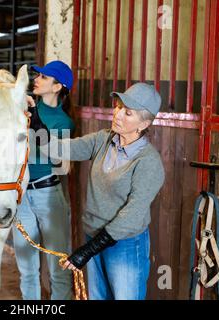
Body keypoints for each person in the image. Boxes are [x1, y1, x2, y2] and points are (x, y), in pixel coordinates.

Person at [0, 32, 76, 300]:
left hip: (47, 194)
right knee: (27, 268)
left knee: (58, 267)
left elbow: (61, 164)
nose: (37, 79)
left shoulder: (62, 122)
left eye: (44, 77)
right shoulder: (19, 104)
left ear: (58, 87)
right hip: (20, 194)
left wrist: (31, 125)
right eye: (37, 75)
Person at [55, 83, 165, 300]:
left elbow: (132, 216)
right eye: (117, 107)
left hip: (124, 243)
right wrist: (31, 134)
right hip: (94, 234)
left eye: (128, 112)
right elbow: (67, 148)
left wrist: (88, 250)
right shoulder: (104, 139)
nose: (117, 114)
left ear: (144, 123)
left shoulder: (148, 162)